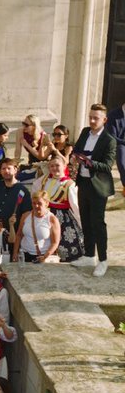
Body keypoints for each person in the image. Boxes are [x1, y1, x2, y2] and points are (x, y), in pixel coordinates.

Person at [72, 103, 116, 277]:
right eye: (90, 117)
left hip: (98, 186)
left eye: (95, 118)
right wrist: (75, 156)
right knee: (85, 220)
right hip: (83, 182)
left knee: (98, 223)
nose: (92, 120)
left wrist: (88, 162)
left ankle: (103, 260)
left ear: (104, 120)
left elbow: (107, 165)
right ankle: (89, 255)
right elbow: (76, 149)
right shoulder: (84, 132)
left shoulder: (109, 140)